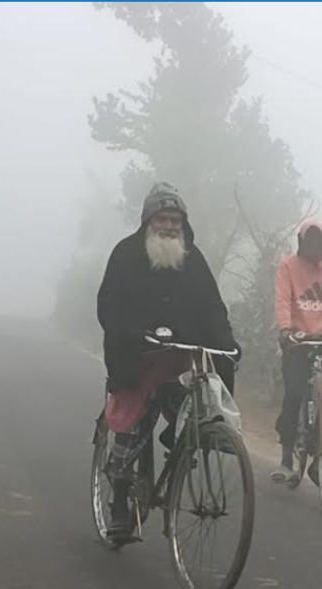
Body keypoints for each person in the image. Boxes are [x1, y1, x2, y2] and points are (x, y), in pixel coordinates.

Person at [96, 182, 239, 538]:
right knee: (131, 425)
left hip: (180, 357)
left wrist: (227, 344)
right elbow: (108, 307)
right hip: (136, 354)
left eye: (175, 219)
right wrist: (134, 333)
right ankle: (119, 504)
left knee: (200, 398)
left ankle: (187, 439)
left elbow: (212, 307)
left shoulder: (194, 259)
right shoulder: (125, 255)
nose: (169, 225)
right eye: (162, 218)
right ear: (147, 221)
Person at [270, 219, 322, 487]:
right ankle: (286, 459)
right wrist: (285, 329)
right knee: (293, 393)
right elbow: (283, 300)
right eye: (309, 243)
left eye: (319, 243)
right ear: (301, 242)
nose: (314, 248)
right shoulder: (288, 266)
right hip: (297, 335)